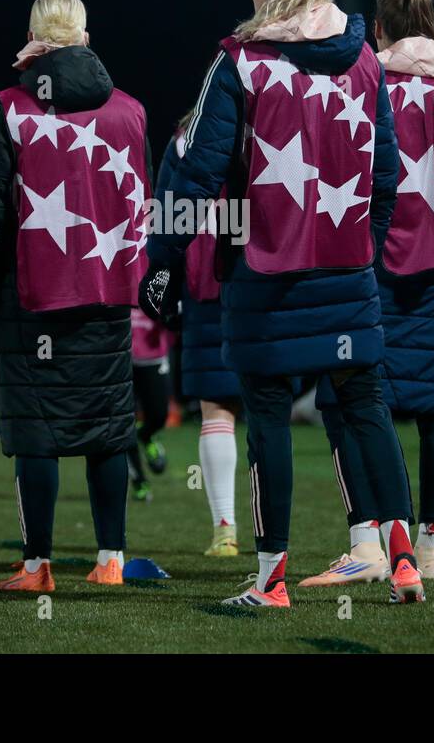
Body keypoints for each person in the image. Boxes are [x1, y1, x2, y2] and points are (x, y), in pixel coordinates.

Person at [141, 0, 423, 606]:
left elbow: (196, 172)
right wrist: (364, 243)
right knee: (367, 407)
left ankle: (271, 580)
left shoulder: (241, 62)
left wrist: (162, 258)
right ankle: (404, 559)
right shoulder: (362, 61)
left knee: (266, 419)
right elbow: (388, 174)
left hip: (265, 276)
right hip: (347, 272)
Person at [0, 0, 151, 593]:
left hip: (31, 295)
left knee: (36, 433)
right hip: (106, 290)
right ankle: (111, 559)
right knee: (108, 429)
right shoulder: (130, 111)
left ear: (35, 37)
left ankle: (38, 566)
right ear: (86, 36)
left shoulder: (10, 109)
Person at [300, 0, 434, 585]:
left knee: (346, 402)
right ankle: (430, 548)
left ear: (379, 28)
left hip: (372, 264)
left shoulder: (366, 83)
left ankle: (370, 540)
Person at [155, 117, 242, 557]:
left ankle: (224, 526)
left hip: (204, 284)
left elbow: (166, 212)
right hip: (266, 281)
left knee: (216, 409)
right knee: (268, 410)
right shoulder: (275, 117)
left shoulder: (185, 139)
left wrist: (163, 287)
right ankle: (273, 540)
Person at [129, 307, 172, 501]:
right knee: (124, 424)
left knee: (159, 415)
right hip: (122, 358)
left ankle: (145, 435)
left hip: (153, 356)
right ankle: (139, 482)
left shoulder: (160, 277)